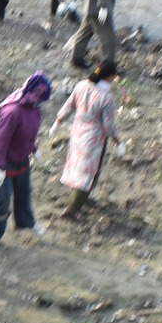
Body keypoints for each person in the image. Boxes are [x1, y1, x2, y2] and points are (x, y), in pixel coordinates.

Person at [0, 73, 52, 245]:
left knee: (24, 193)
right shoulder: (12, 112)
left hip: (22, 157)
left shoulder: (35, 110)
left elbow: (29, 133)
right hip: (4, 160)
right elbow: (1, 140)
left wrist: (34, 149)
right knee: (3, 199)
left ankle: (25, 224)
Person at [52, 60, 122, 217]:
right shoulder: (107, 97)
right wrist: (118, 142)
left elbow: (69, 106)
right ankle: (73, 209)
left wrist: (58, 121)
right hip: (94, 138)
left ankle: (81, 199)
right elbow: (108, 126)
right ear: (110, 76)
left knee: (77, 167)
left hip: (77, 132)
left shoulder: (82, 86)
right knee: (88, 173)